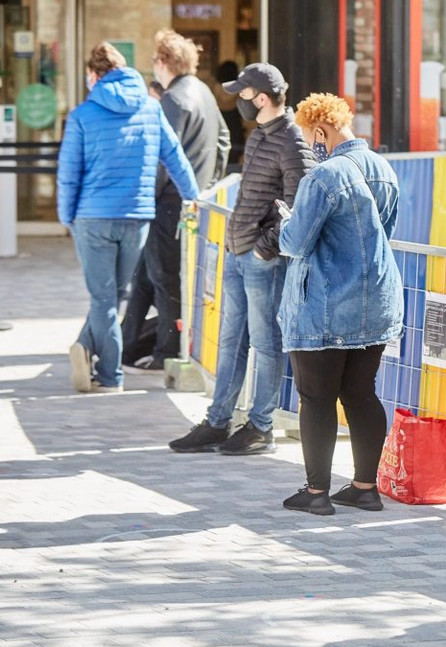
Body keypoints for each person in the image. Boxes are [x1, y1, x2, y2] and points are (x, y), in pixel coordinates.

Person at [167, 63, 316, 455]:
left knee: (266, 343)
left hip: (261, 259)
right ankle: (218, 420)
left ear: (262, 98)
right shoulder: (257, 138)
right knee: (232, 341)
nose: (239, 101)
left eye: (244, 95)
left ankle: (260, 425)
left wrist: (265, 246)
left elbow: (299, 207)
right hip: (239, 254)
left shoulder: (292, 141)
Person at [277, 93, 403, 516]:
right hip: (377, 302)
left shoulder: (323, 176)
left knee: (316, 397)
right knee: (360, 393)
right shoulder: (384, 169)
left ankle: (316, 494)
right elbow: (381, 233)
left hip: (326, 306)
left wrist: (284, 220)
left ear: (318, 131)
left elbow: (295, 242)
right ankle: (365, 488)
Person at [58, 42, 199, 393]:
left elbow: (69, 174)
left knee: (104, 298)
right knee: (115, 294)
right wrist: (193, 198)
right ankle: (86, 347)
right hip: (136, 216)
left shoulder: (82, 115)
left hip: (93, 217)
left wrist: (66, 216)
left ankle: (109, 376)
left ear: (94, 75)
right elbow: (176, 158)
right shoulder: (152, 109)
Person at [121, 30, 231, 371]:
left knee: (164, 278)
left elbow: (160, 158)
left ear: (165, 62)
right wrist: (207, 183)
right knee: (145, 276)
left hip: (167, 203)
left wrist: (144, 197)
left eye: (155, 60)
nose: (153, 67)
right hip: (187, 199)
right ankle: (123, 347)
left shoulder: (173, 99)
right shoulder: (204, 94)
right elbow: (224, 140)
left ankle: (167, 351)